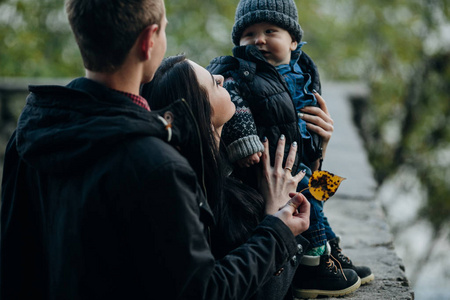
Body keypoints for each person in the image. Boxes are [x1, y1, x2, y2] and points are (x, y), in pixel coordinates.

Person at [0, 0, 312, 299]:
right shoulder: (156, 164)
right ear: (149, 40)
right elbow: (202, 292)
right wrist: (276, 230)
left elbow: (13, 264)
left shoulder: (30, 135)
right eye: (163, 28)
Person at [207, 0, 373, 298]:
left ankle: (330, 253)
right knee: (309, 206)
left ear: (294, 40)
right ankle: (314, 264)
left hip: (298, 161)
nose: (259, 39)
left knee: (319, 199)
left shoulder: (303, 70)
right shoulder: (238, 70)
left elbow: (307, 112)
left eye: (271, 30)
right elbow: (233, 102)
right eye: (249, 34)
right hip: (263, 167)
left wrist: (318, 143)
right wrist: (244, 139)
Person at [141, 54, 310, 300]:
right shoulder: (200, 196)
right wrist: (275, 220)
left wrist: (317, 154)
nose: (221, 77)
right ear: (202, 113)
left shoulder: (233, 165)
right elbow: (259, 294)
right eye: (213, 83)